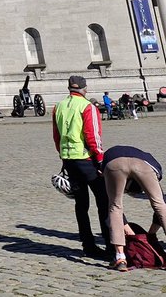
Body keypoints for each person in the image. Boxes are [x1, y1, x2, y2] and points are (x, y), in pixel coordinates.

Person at [102, 143, 166, 273]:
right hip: (143, 165)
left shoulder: (105, 163)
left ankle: (120, 258)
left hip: (114, 162)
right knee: (161, 206)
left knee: (115, 207)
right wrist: (150, 234)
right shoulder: (152, 163)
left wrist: (134, 232)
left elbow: (108, 206)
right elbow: (162, 203)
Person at [52, 74, 111, 259]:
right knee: (104, 202)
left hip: (68, 159)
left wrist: (63, 155)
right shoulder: (88, 106)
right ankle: (111, 245)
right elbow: (92, 135)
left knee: (81, 205)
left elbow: (56, 136)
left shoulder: (58, 107)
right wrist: (100, 159)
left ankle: (88, 244)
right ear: (85, 88)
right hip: (87, 159)